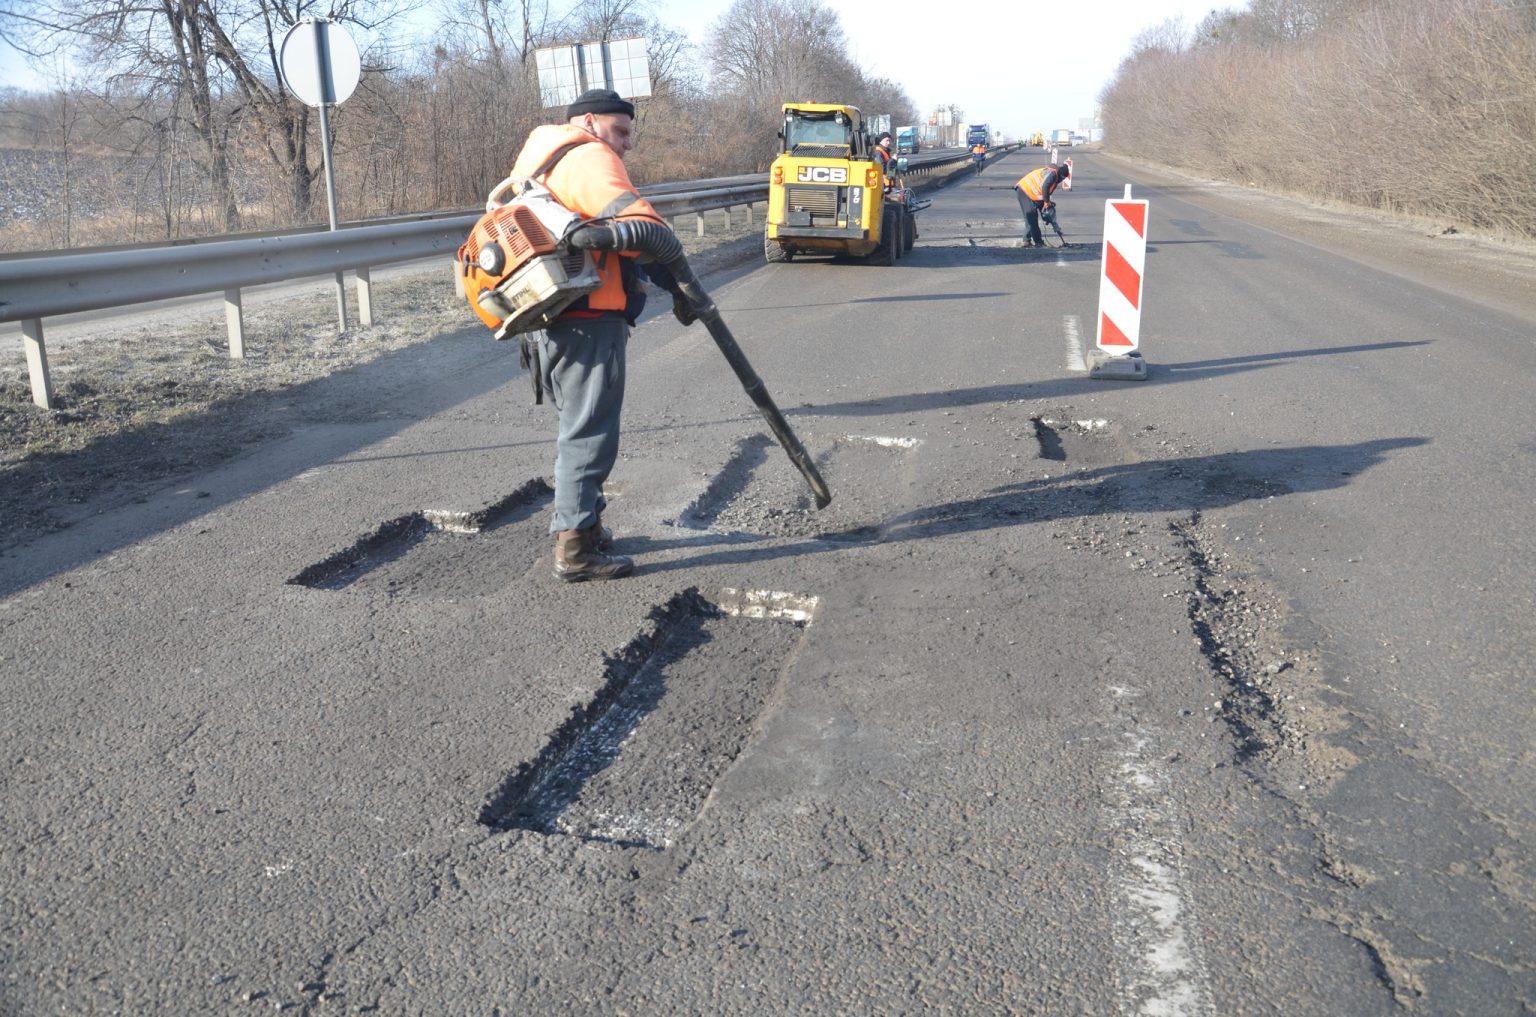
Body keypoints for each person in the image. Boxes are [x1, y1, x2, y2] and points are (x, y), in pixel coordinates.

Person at [504, 88, 694, 582]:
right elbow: (642, 227)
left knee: (578, 430)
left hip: (551, 319)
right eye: (620, 131)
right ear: (589, 121)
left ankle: (587, 526)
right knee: (589, 437)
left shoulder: (539, 156)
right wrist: (681, 285)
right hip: (588, 320)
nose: (625, 146)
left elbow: (611, 238)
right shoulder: (590, 156)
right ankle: (575, 551)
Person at [1013, 163, 1070, 248]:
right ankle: (1037, 242)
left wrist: (1047, 207)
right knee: (1031, 217)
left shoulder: (1052, 173)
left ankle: (1027, 240)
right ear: (1062, 176)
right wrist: (1046, 202)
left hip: (1031, 193)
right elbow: (1045, 187)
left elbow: (1045, 194)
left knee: (1031, 217)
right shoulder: (1053, 175)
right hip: (1025, 191)